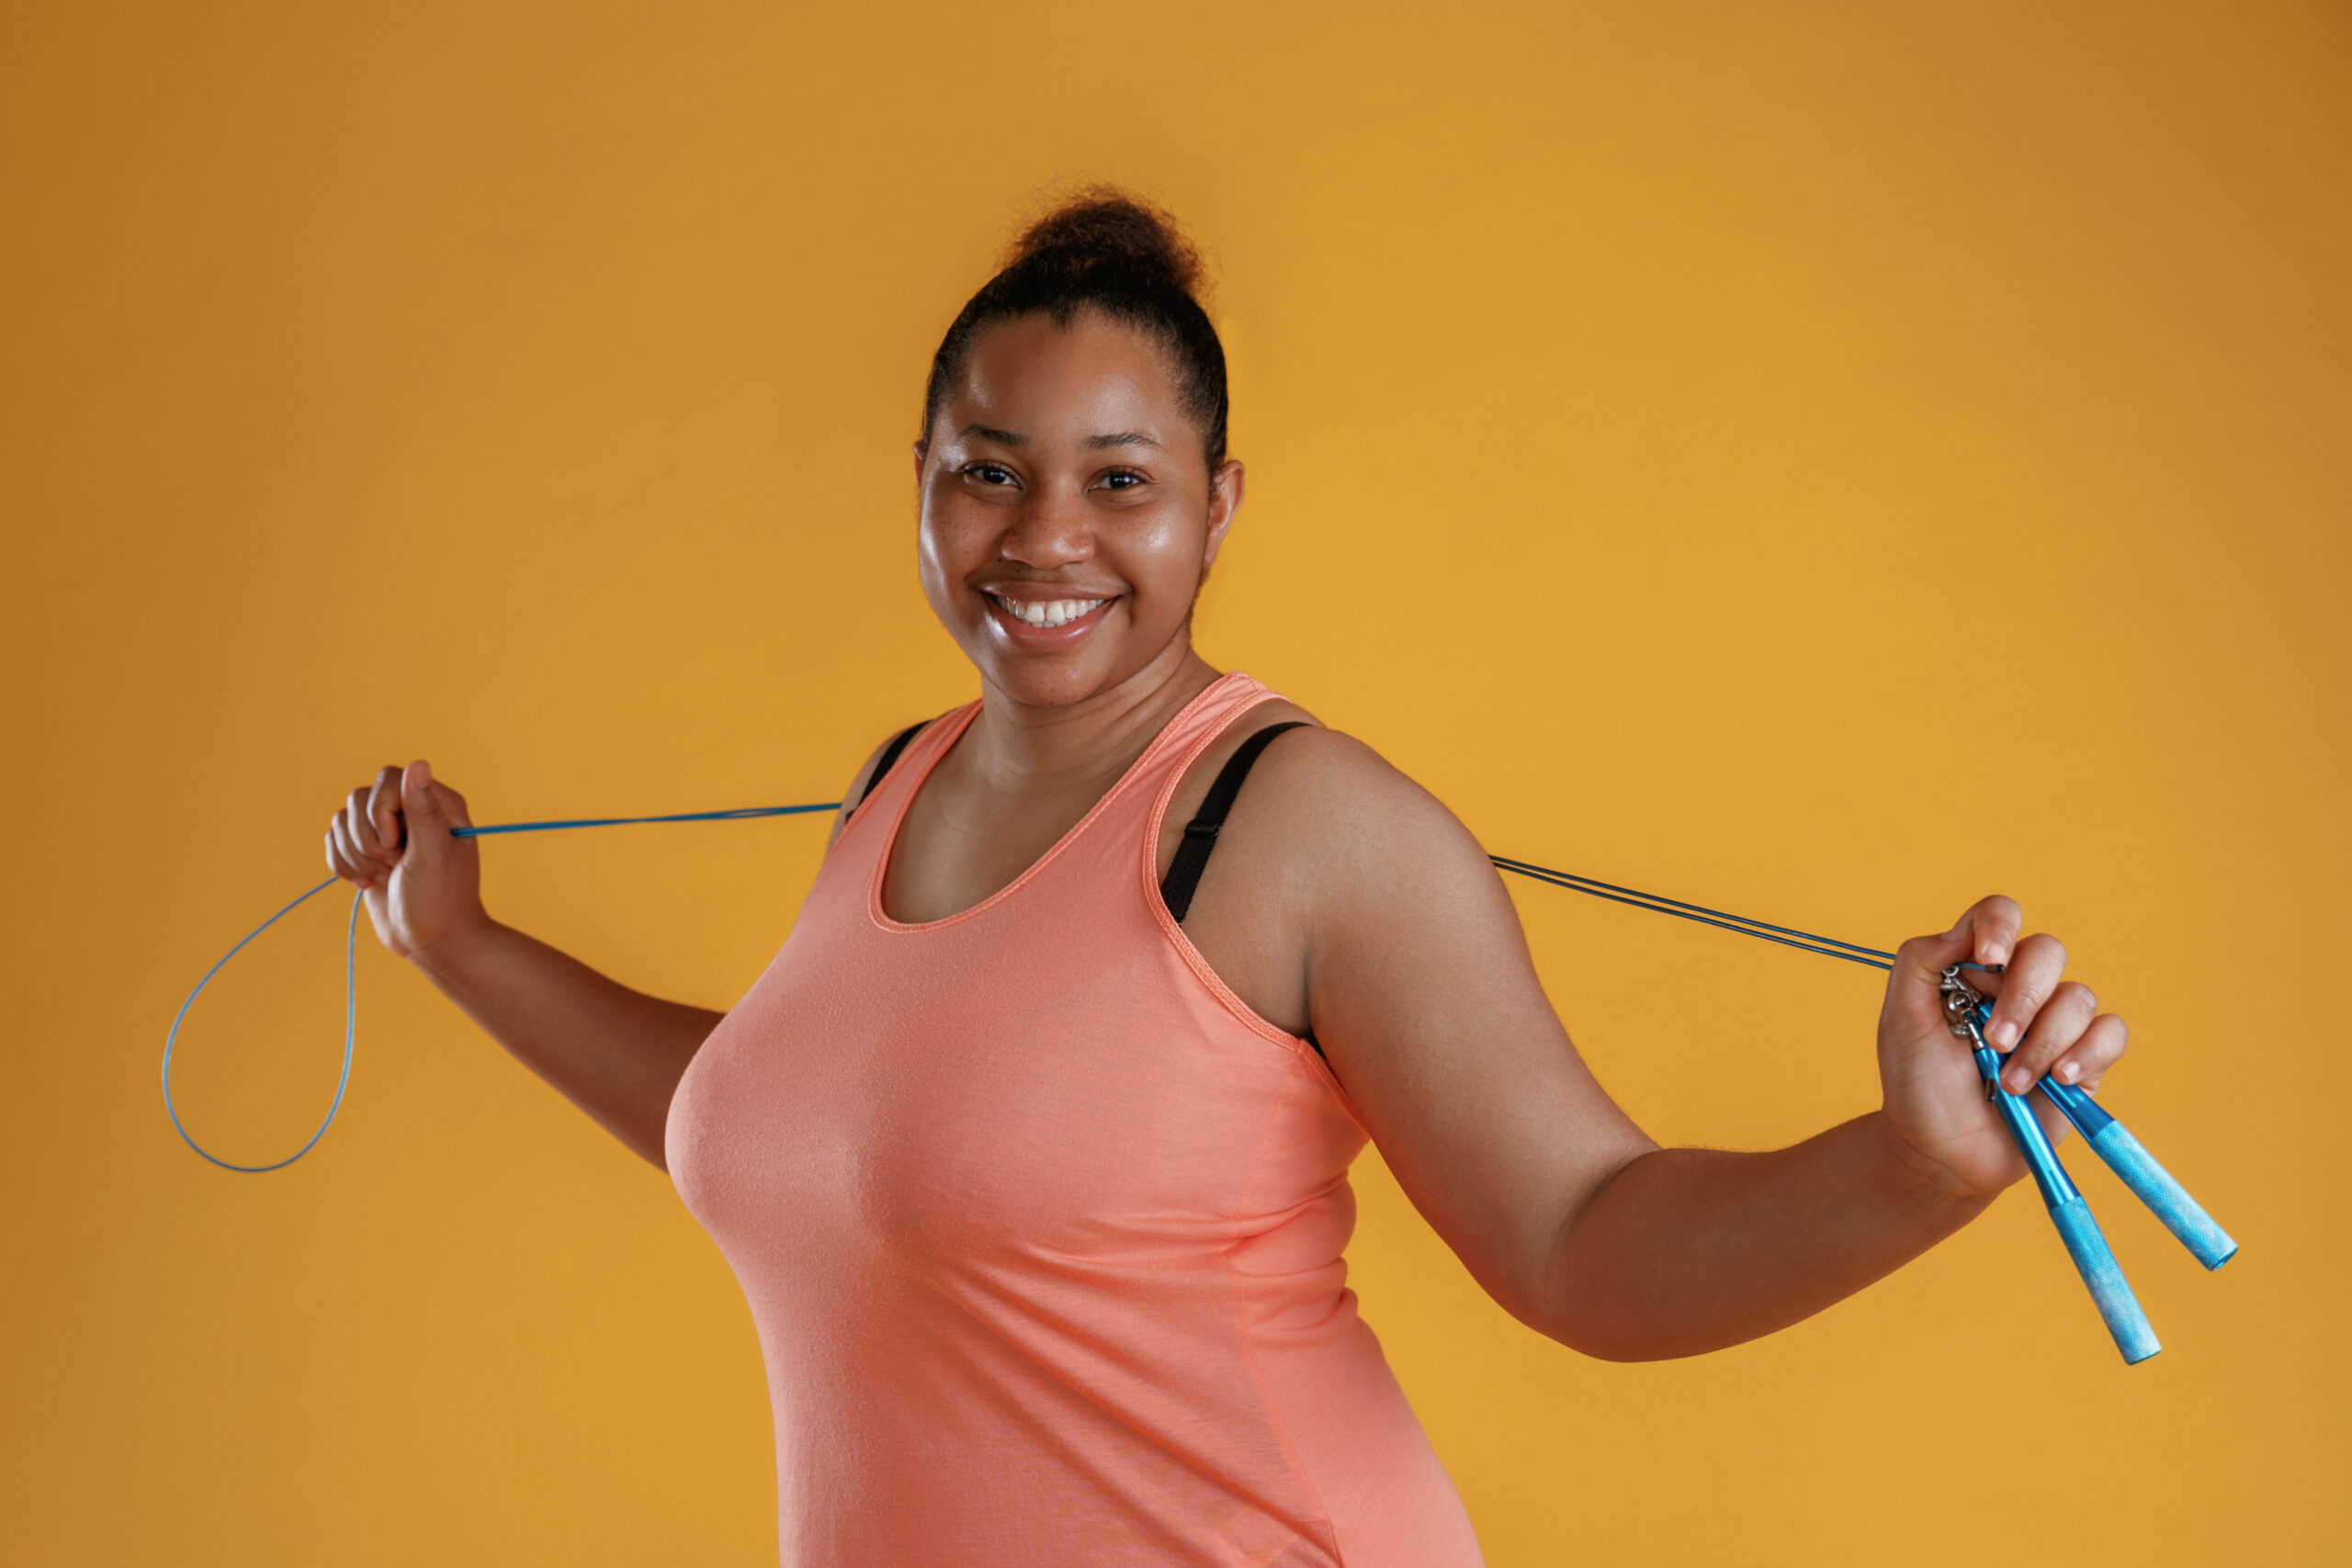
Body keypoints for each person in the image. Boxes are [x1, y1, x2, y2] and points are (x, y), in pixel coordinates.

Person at [322, 190, 2131, 1567]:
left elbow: (1584, 1243)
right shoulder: (894, 786)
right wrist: (460, 946)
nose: (1045, 537)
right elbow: (807, 1138)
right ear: (920, 485)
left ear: (1219, 503)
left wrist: (1913, 1163)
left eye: (1120, 480)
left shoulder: (1297, 824)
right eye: (988, 471)